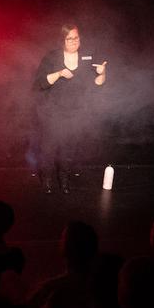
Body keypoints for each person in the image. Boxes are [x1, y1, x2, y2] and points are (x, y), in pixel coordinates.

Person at [33, 24, 107, 193]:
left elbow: (97, 84)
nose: (74, 41)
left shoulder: (87, 57)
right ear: (62, 40)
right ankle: (47, 181)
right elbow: (40, 83)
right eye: (70, 38)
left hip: (74, 112)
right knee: (49, 148)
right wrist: (59, 73)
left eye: (76, 38)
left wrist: (102, 73)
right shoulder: (52, 57)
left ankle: (64, 180)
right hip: (52, 112)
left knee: (68, 149)